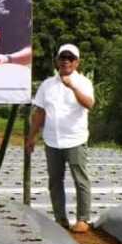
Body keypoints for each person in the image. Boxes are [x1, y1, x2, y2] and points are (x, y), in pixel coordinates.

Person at [26, 44, 95, 232]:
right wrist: (31, 136)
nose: (66, 61)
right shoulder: (47, 85)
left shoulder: (83, 82)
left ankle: (83, 218)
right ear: (57, 61)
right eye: (62, 58)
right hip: (52, 140)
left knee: (80, 179)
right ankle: (60, 218)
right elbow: (40, 112)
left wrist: (72, 86)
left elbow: (89, 104)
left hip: (75, 139)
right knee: (55, 180)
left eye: (70, 58)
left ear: (77, 62)